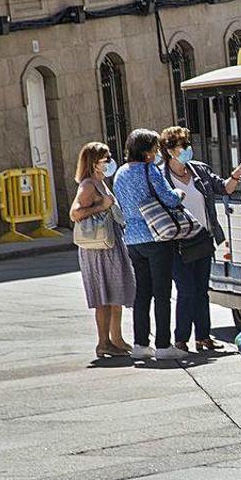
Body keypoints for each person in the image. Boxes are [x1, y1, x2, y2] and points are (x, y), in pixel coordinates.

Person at [159, 126, 241, 352]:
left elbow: (224, 189)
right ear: (169, 150)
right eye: (182, 146)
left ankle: (203, 337)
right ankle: (180, 339)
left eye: (188, 145)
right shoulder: (161, 177)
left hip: (203, 238)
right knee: (186, 289)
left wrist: (236, 174)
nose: (187, 150)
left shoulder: (200, 171)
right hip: (176, 242)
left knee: (201, 290)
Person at [112, 129, 187, 361]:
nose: (156, 153)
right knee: (162, 292)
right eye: (154, 149)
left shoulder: (121, 173)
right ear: (146, 152)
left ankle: (140, 343)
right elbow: (170, 198)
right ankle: (163, 344)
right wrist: (179, 193)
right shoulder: (150, 170)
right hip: (156, 235)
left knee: (142, 292)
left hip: (132, 239)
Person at [70, 142, 133, 358]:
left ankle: (117, 338)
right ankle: (103, 342)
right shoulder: (88, 185)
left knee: (116, 292)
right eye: (105, 159)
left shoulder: (102, 182)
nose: (109, 162)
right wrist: (101, 206)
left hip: (111, 243)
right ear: (94, 163)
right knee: (104, 295)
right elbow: (75, 213)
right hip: (98, 247)